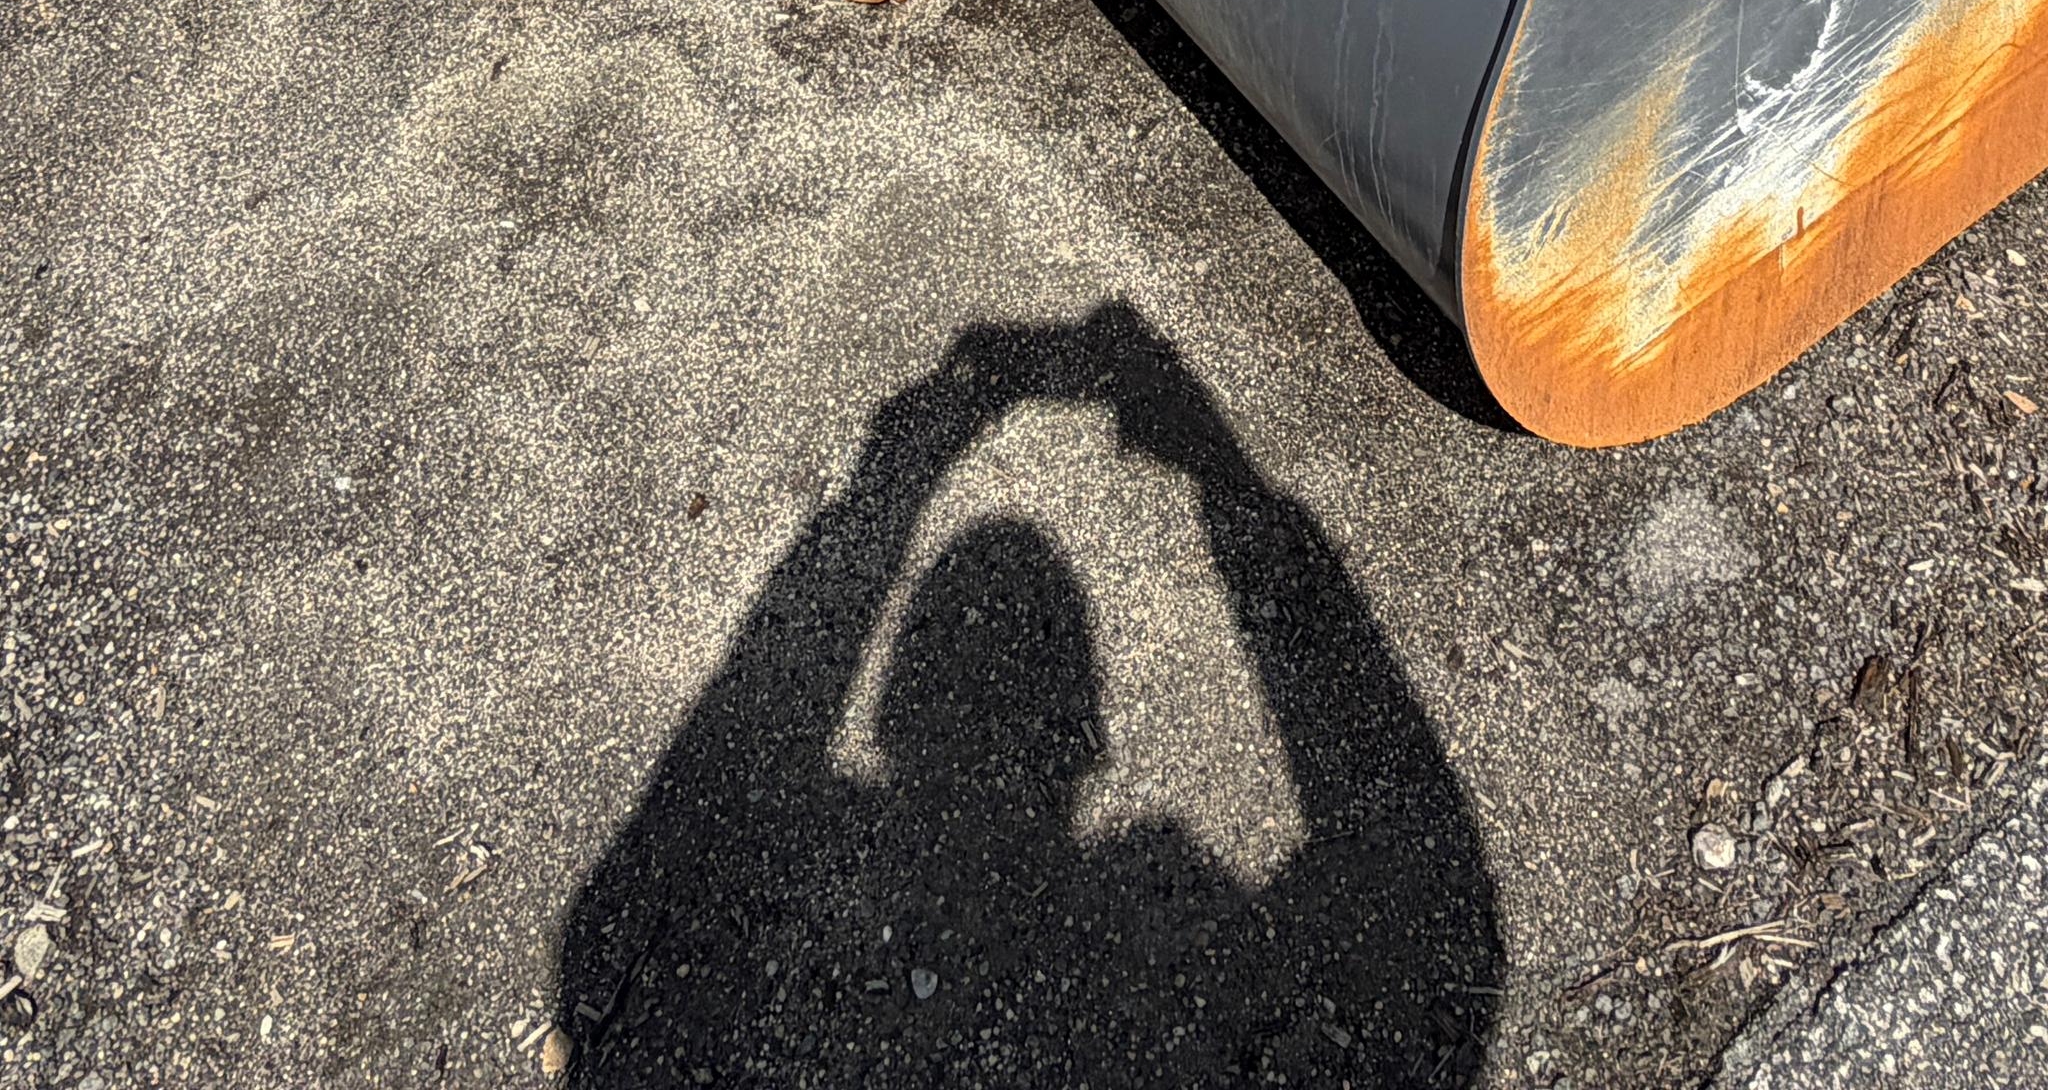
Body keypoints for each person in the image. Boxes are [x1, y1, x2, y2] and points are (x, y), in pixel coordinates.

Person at [553, 303, 1498, 1084]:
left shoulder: (618, 941)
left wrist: (908, 460)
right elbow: (1441, 902)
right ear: (1091, 735)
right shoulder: (1175, 912)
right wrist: (1220, 475)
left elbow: (744, 718)